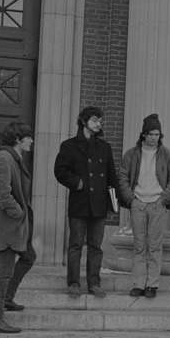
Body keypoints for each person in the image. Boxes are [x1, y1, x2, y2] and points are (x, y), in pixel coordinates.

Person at [53, 106, 120, 298]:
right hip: (80, 202)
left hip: (99, 203)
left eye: (100, 120)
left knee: (96, 246)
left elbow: (111, 176)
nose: (99, 124)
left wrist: (115, 201)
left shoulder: (105, 147)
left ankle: (94, 283)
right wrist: (77, 182)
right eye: (94, 120)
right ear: (84, 121)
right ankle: (74, 283)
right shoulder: (69, 146)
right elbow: (60, 171)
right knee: (75, 245)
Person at [117, 113, 170, 298]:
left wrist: (163, 199)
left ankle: (152, 284)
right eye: (151, 134)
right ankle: (138, 284)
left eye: (157, 134)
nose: (154, 138)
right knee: (139, 246)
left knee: (154, 246)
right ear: (144, 134)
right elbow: (122, 177)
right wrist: (131, 199)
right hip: (138, 204)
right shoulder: (131, 154)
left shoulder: (167, 154)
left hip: (157, 204)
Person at [0, 122, 36, 334]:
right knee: (3, 271)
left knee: (28, 257)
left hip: (15, 227)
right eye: (28, 137)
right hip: (7, 227)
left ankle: (6, 298)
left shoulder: (12, 158)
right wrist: (19, 212)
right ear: (17, 139)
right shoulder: (5, 159)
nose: (31, 140)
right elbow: (1, 193)